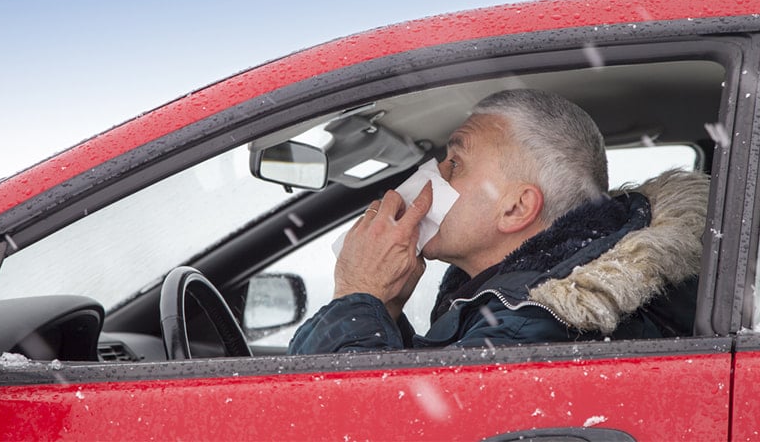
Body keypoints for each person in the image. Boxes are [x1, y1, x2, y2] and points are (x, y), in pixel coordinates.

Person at [288, 89, 708, 354]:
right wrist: (382, 310)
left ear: (516, 209)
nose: (432, 175)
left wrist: (357, 292)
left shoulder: (532, 330)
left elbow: (357, 421)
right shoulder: (507, 308)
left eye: (455, 163)